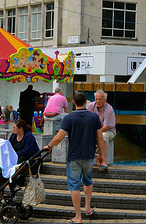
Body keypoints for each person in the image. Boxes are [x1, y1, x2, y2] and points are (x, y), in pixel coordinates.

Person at [45, 92, 103, 224]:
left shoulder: (69, 118)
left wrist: (49, 146)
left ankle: (78, 216)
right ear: (86, 103)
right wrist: (101, 155)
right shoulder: (94, 117)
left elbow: (59, 137)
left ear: (74, 103)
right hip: (89, 156)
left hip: (74, 157)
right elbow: (100, 138)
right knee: (88, 181)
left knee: (75, 186)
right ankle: (87, 208)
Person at [86, 89, 116, 170]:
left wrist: (94, 132)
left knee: (104, 136)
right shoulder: (90, 106)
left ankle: (104, 162)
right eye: (96, 99)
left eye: (100, 99)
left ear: (105, 99)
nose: (98, 101)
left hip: (109, 131)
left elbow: (106, 128)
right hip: (94, 130)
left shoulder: (109, 109)